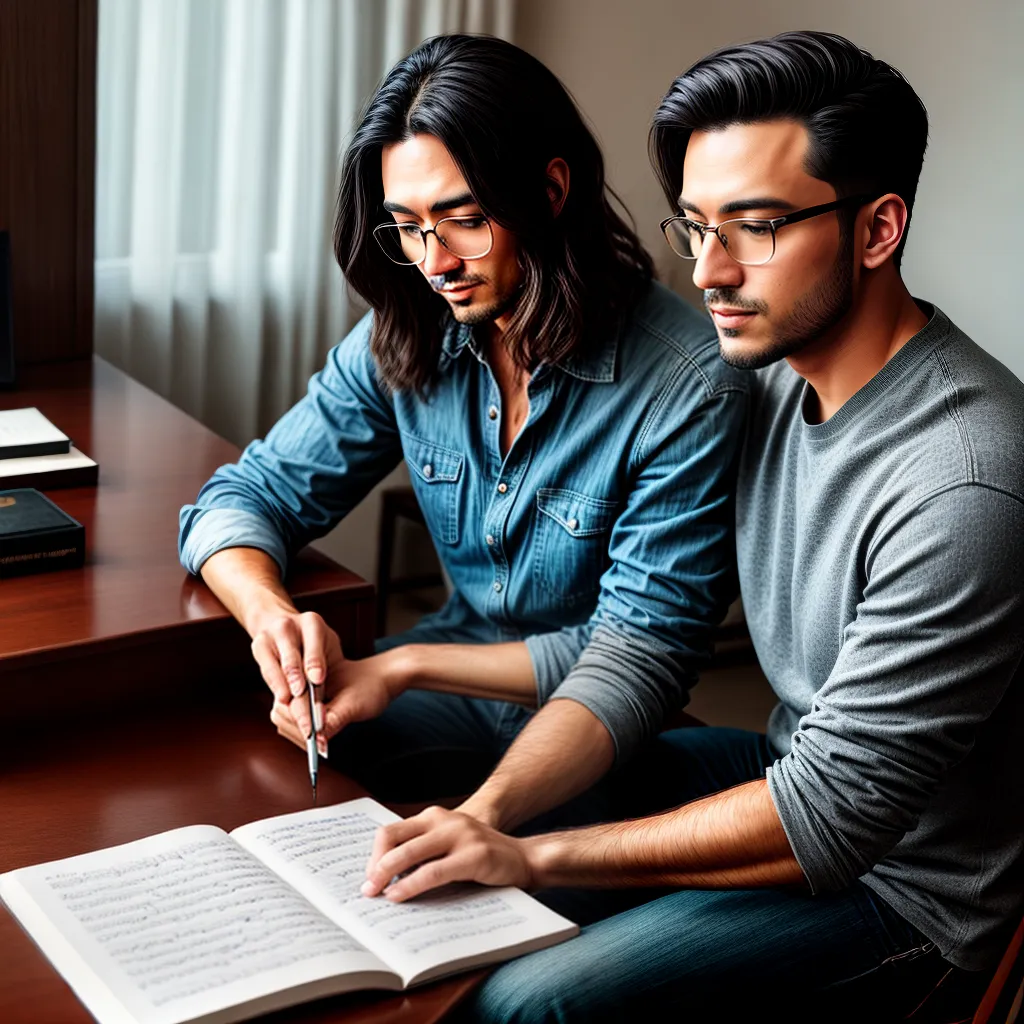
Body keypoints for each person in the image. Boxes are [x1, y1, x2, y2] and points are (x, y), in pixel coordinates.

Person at [360, 31, 1024, 1023]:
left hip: (911, 889)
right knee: (468, 811)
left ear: (877, 229)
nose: (709, 271)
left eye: (752, 228)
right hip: (788, 767)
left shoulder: (964, 477)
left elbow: (833, 816)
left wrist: (532, 853)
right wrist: (495, 813)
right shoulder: (764, 381)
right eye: (696, 227)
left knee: (527, 1000)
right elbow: (636, 639)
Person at [178, 34, 748, 827]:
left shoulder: (688, 385)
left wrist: (406, 665)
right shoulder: (410, 333)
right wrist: (272, 617)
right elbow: (241, 498)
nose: (434, 261)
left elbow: (638, 650)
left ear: (551, 191)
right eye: (408, 227)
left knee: (488, 883)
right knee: (225, 772)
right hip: (451, 688)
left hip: (593, 718)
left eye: (464, 220)